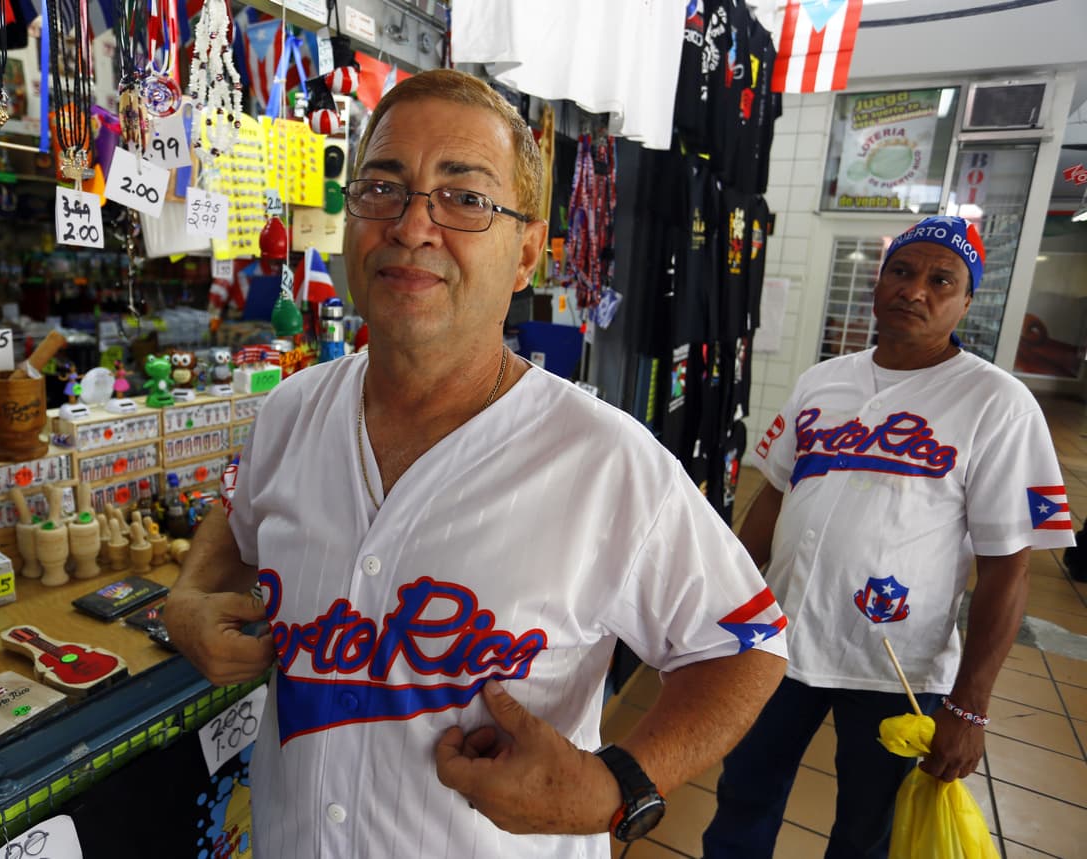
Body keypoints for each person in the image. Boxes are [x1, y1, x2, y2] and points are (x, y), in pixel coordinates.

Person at [166, 68, 788, 859]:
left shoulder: (603, 459)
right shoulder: (292, 411)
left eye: (464, 198)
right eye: (383, 187)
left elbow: (746, 644)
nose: (411, 225)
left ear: (527, 250)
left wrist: (620, 785)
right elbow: (238, 517)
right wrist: (188, 596)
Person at [702, 215, 1077, 859]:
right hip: (780, 642)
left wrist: (971, 707)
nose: (915, 290)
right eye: (902, 272)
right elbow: (774, 497)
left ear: (966, 300)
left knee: (867, 829)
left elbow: (1008, 570)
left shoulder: (996, 403)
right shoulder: (822, 382)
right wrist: (726, 606)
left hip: (895, 667)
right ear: (880, 281)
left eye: (940, 280)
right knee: (744, 795)